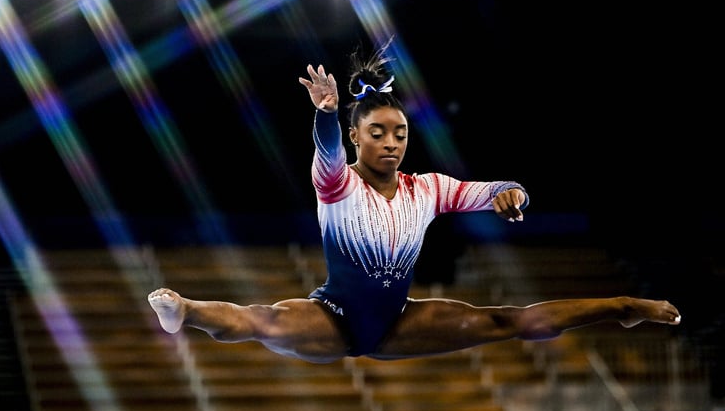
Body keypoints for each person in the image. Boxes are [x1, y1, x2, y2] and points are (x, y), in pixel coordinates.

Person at [148, 38, 681, 364]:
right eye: (377, 133)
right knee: (261, 320)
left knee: (507, 321)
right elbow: (325, 145)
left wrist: (511, 193)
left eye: (400, 133)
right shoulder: (337, 182)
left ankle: (622, 307)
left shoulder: (426, 188)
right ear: (358, 138)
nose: (391, 143)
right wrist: (327, 112)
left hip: (398, 322)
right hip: (332, 317)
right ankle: (185, 310)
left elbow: (490, 189)